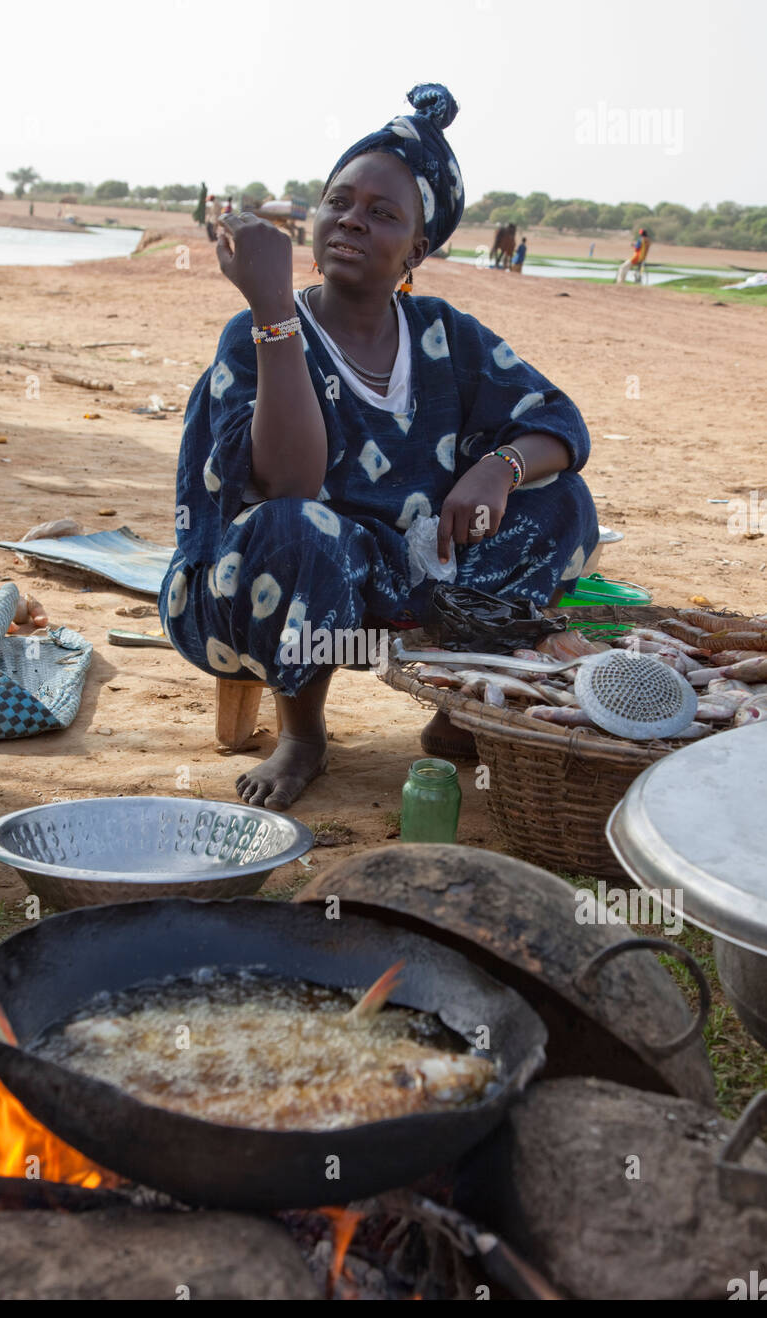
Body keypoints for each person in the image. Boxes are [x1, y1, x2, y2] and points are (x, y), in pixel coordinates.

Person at [159, 83, 598, 810]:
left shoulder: (444, 334)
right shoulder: (258, 334)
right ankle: (302, 736)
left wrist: (499, 467)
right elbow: (289, 481)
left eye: (381, 213)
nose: (350, 221)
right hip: (266, 584)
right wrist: (273, 315)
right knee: (300, 527)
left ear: (417, 249)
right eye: (339, 201)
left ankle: (456, 711)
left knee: (562, 502)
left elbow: (558, 419)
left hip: (416, 576)